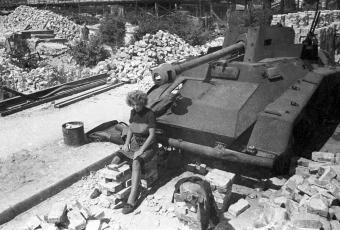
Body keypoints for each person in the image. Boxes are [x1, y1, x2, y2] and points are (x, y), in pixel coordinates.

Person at [112, 90, 156, 214]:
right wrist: (126, 143)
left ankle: (132, 199)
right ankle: (108, 187)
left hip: (149, 146)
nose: (136, 107)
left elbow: (152, 136)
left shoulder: (150, 114)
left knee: (136, 162)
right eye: (133, 104)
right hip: (135, 143)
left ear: (143, 102)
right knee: (117, 157)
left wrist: (141, 150)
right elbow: (131, 129)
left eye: (138, 104)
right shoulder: (133, 112)